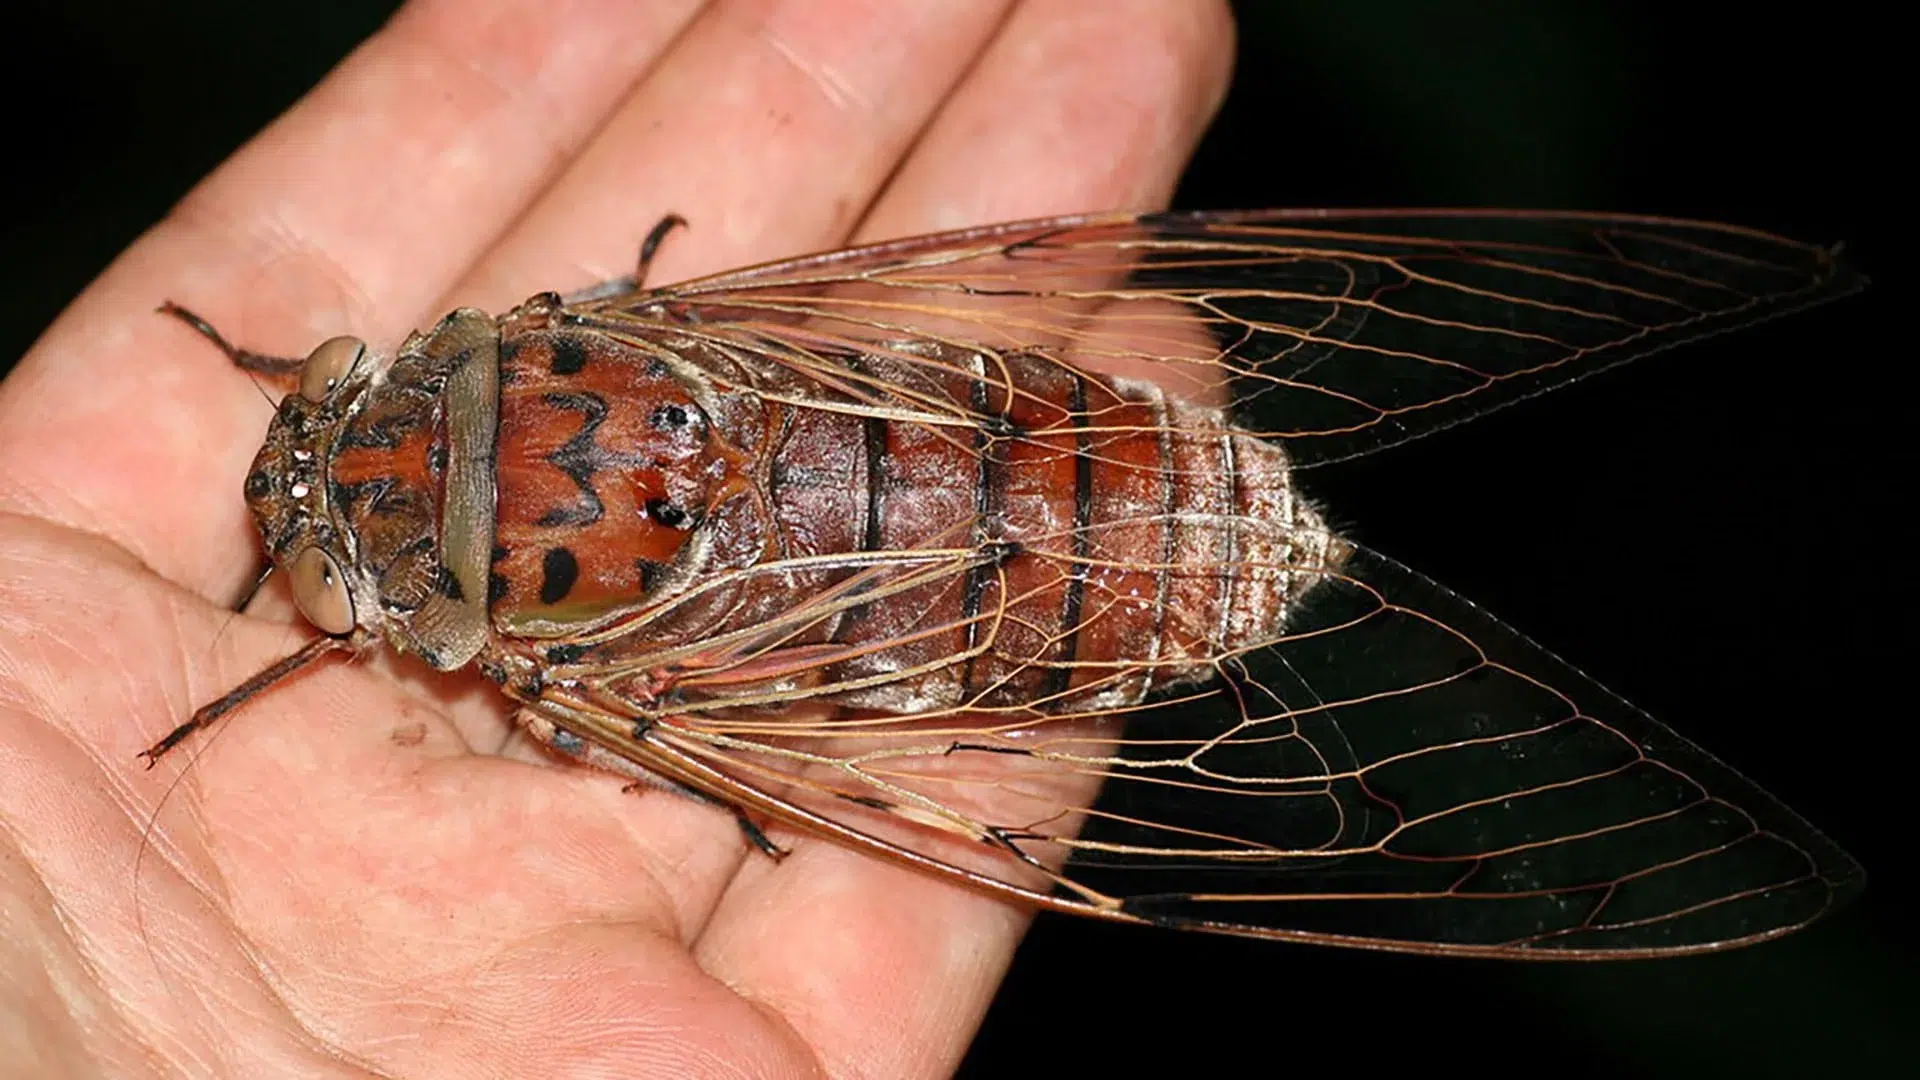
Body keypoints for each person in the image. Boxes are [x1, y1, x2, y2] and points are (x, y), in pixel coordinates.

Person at [0, 2, 1234, 1075]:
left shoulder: (543, 667)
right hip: (990, 440)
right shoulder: (542, 345)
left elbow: (578, 723)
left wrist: (707, 765)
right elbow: (613, 317)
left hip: (914, 596)